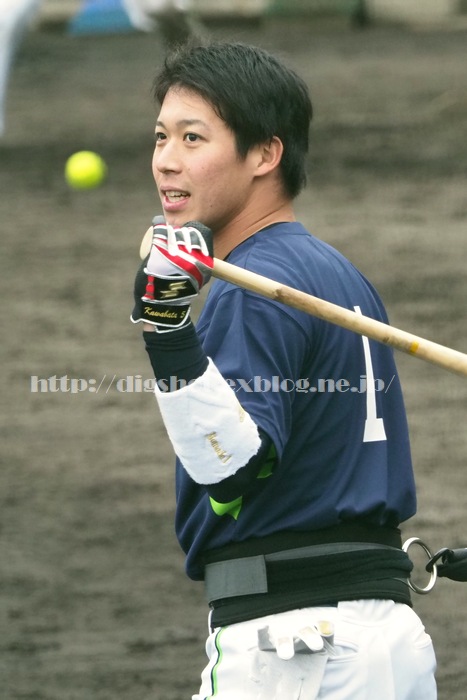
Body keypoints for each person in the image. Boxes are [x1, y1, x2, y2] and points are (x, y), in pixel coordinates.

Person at [131, 41, 437, 699]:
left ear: (264, 155)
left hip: (294, 649)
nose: (165, 160)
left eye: (192, 137)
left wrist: (167, 333)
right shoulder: (336, 273)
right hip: (392, 644)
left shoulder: (253, 287)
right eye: (160, 137)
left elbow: (233, 467)